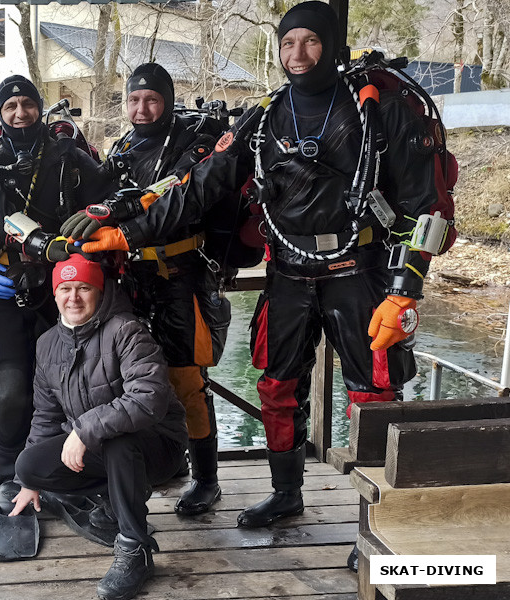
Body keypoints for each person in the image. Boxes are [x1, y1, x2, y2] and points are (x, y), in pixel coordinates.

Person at [76, 1, 447, 542]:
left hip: (358, 272)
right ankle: (286, 492)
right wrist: (128, 232)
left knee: (374, 394)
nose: (297, 55)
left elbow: (427, 206)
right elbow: (203, 183)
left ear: (331, 44)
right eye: (287, 43)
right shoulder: (265, 117)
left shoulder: (378, 111)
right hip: (288, 272)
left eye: (310, 42)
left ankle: (380, 522)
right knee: (276, 386)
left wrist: (405, 290)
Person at [62, 63, 250, 516]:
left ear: (166, 100)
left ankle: (206, 479)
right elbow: (101, 192)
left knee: (186, 381)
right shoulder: (125, 146)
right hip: (130, 277)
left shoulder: (195, 144)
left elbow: (181, 201)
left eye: (151, 99)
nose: (141, 108)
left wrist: (122, 230)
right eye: (133, 100)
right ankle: (152, 466)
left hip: (180, 275)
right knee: (123, 379)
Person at [0, 75, 113, 487]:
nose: (20, 113)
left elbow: (107, 196)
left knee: (80, 386)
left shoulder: (68, 155)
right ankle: (10, 479)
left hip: (66, 287)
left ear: (39, 107)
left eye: (27, 104)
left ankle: (72, 473)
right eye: (10, 107)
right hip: (5, 286)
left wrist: (101, 221)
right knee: (11, 394)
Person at [9, 254, 188, 600]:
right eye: (64, 288)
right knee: (29, 465)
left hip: (157, 446)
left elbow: (149, 398)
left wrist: (83, 430)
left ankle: (135, 550)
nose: (73, 297)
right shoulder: (47, 344)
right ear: (55, 293)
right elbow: (45, 415)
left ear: (99, 292)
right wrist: (27, 483)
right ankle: (111, 499)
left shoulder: (127, 330)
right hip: (98, 444)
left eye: (83, 288)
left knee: (119, 442)